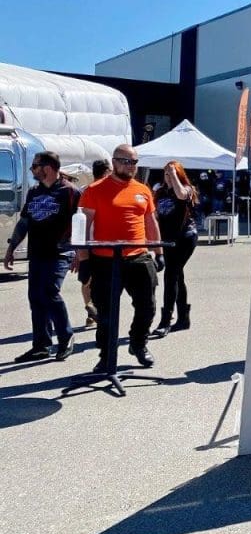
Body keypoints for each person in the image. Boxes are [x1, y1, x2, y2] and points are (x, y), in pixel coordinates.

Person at [77, 144, 163, 369]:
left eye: (134, 162)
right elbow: (84, 226)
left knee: (147, 306)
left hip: (138, 257)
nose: (130, 166)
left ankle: (138, 343)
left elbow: (150, 221)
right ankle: (106, 356)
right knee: (106, 312)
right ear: (114, 162)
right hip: (105, 260)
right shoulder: (95, 190)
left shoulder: (142, 190)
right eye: (125, 161)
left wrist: (158, 251)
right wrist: (84, 259)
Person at [3, 151, 80, 363]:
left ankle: (66, 337)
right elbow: (25, 221)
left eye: (34, 166)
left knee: (49, 291)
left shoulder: (70, 191)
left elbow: (82, 223)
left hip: (60, 252)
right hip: (37, 253)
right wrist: (11, 249)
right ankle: (41, 346)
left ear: (47, 168)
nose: (32, 170)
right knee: (36, 298)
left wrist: (79, 252)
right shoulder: (34, 192)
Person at [150, 161, 200, 338]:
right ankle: (183, 318)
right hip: (168, 239)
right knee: (177, 275)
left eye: (171, 174)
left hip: (185, 237)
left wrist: (174, 175)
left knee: (171, 274)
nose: (168, 177)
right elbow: (155, 215)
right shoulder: (160, 192)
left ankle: (165, 321)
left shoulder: (187, 188)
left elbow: (180, 195)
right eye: (165, 174)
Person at [78, 158, 112, 329]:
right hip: (100, 243)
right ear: (107, 172)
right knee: (102, 280)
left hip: (84, 242)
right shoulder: (107, 190)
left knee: (86, 279)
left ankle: (90, 311)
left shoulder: (84, 190)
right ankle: (97, 310)